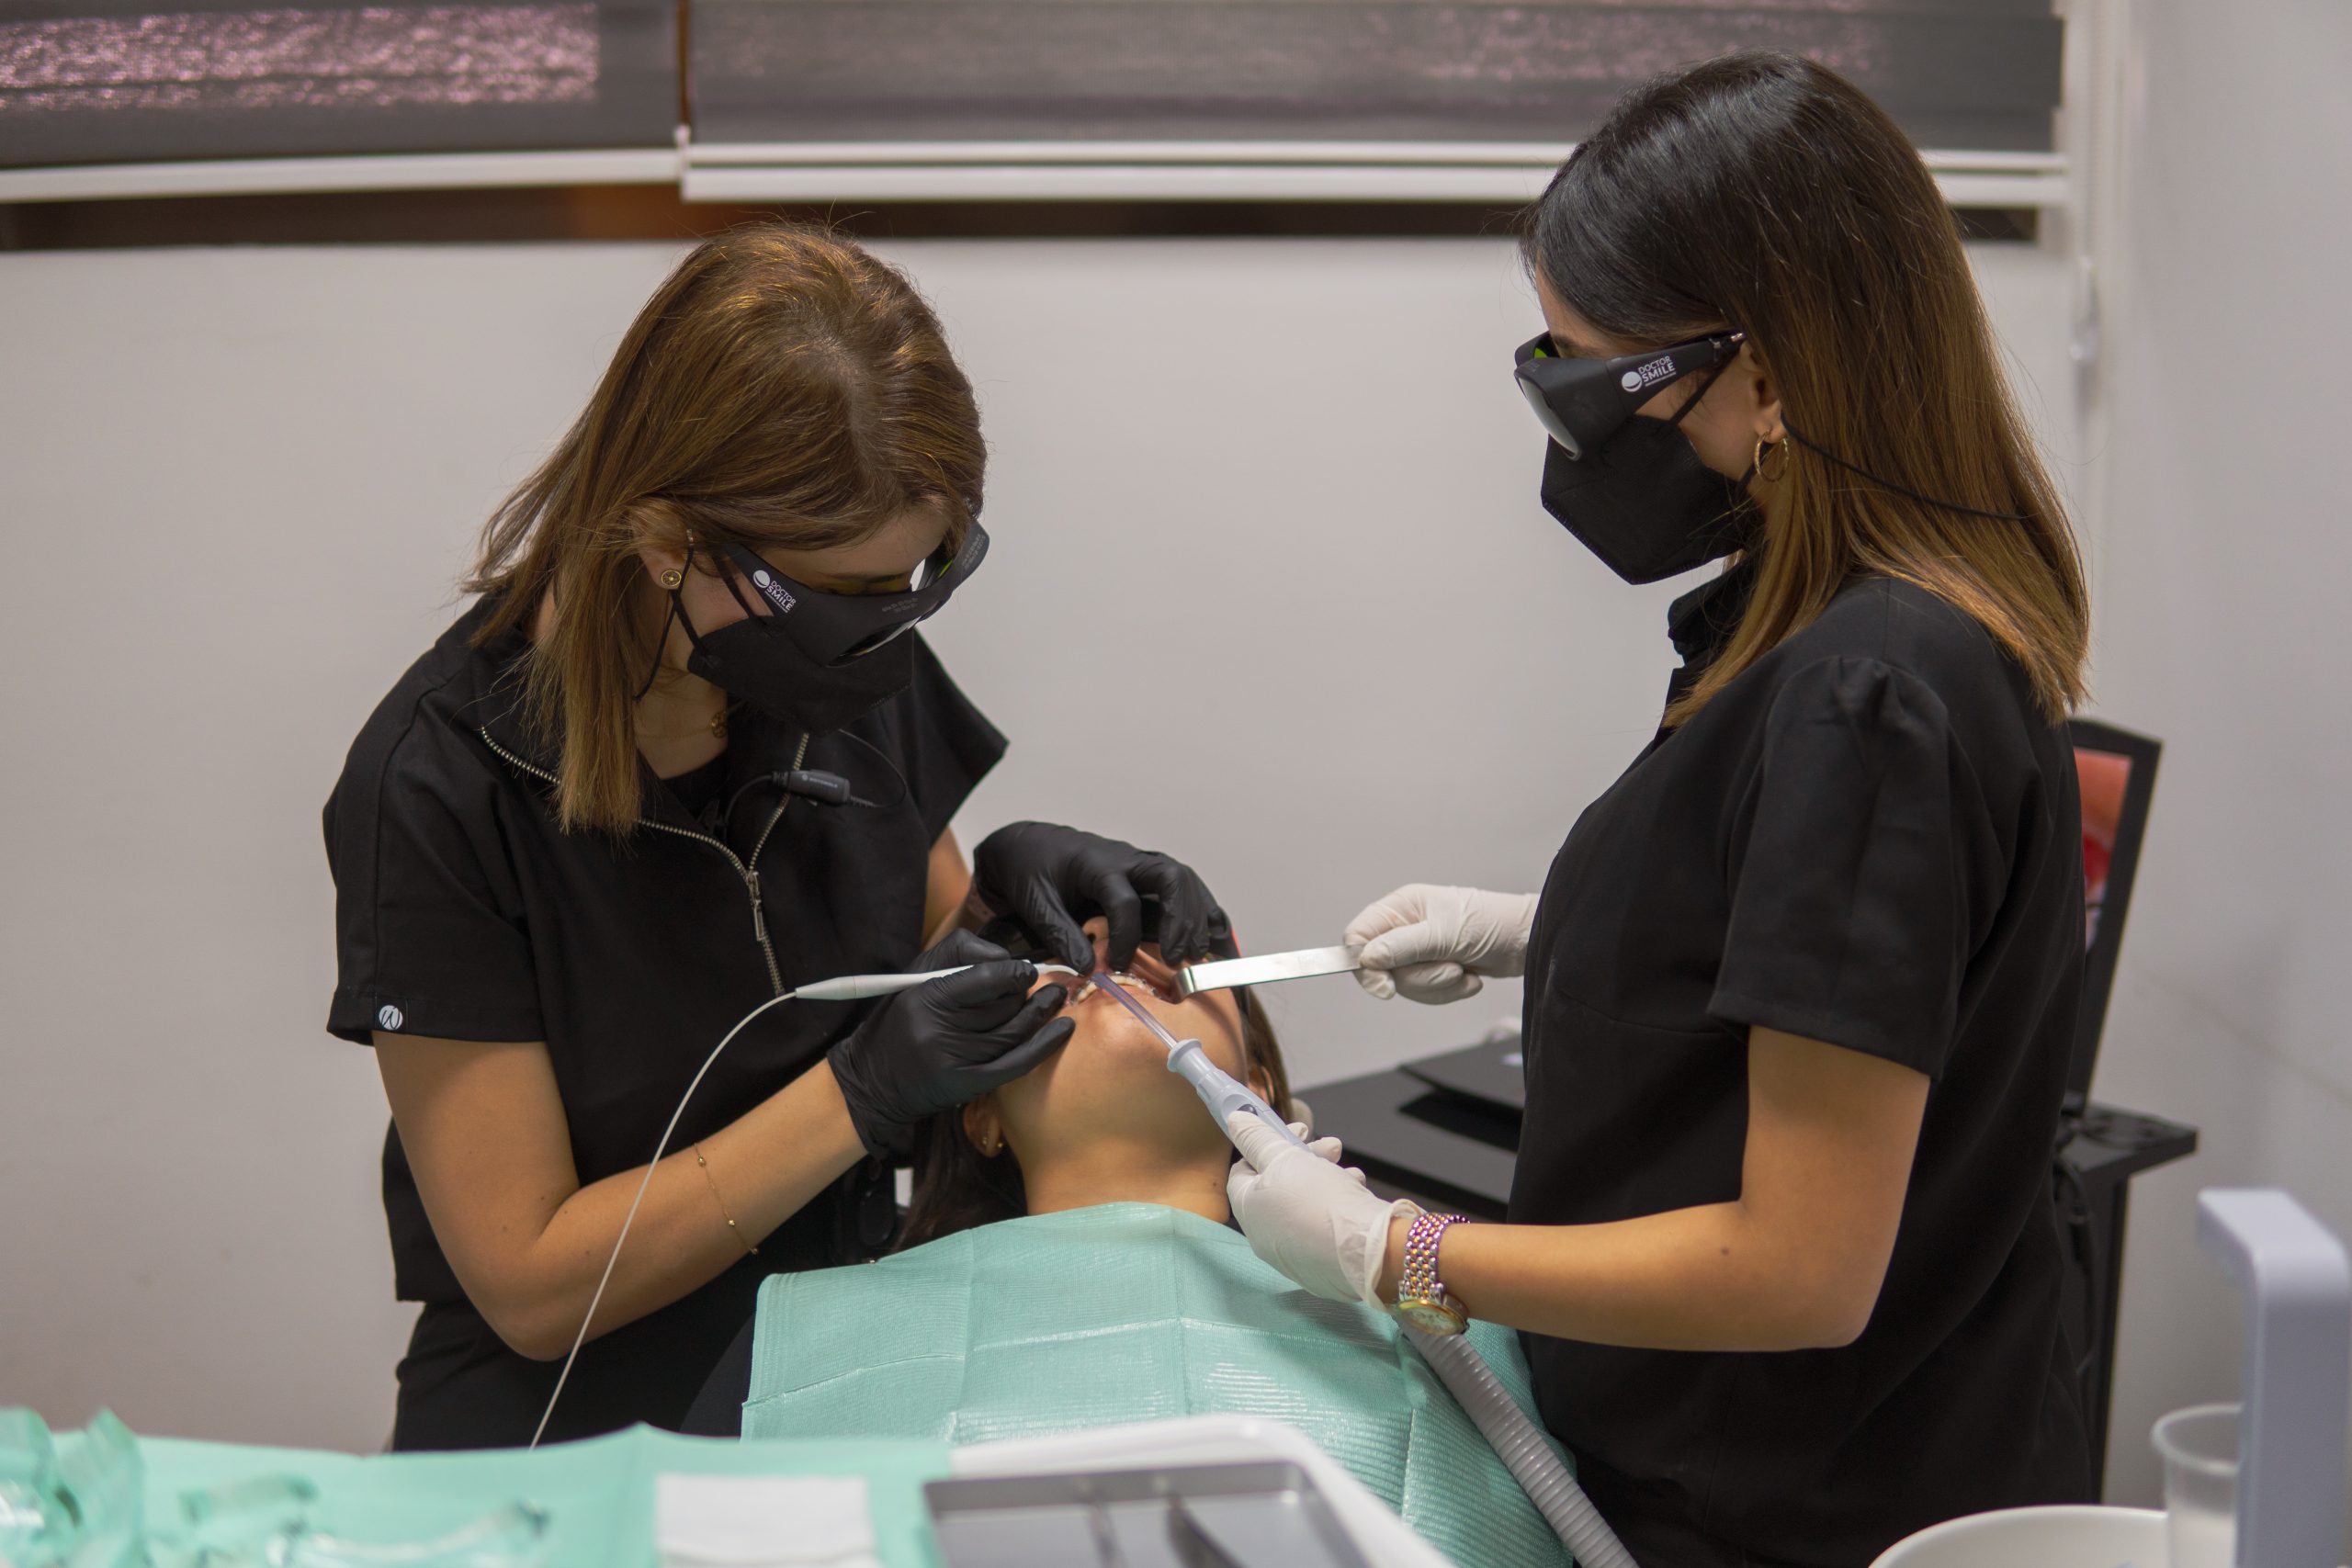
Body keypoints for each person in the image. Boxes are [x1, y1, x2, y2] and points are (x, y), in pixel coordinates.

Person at [1224, 51, 2097, 1568]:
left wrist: (1398, 1252)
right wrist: (1539, 931)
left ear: (1769, 374)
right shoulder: (1830, 620)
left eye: (1592, 376)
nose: (1568, 428)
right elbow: (1823, 950)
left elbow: (1802, 1268)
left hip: (1788, 1507)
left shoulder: (1867, 694)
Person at [322, 222, 1228, 1450]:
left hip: (833, 1359)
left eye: (930, 576)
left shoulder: (844, 646)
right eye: (848, 593)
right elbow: (532, 1283)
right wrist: (855, 1094)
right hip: (575, 1424)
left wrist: (1009, 898)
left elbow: (912, 952)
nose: (890, 634)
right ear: (662, 536)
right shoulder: (436, 790)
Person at [733, 920, 1572, 1568]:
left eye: (1160, 949)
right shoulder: (809, 1332)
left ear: (1256, 1090)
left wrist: (1396, 1254)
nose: (1112, 956)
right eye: (1068, 952)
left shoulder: (1442, 1309)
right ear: (980, 1111)